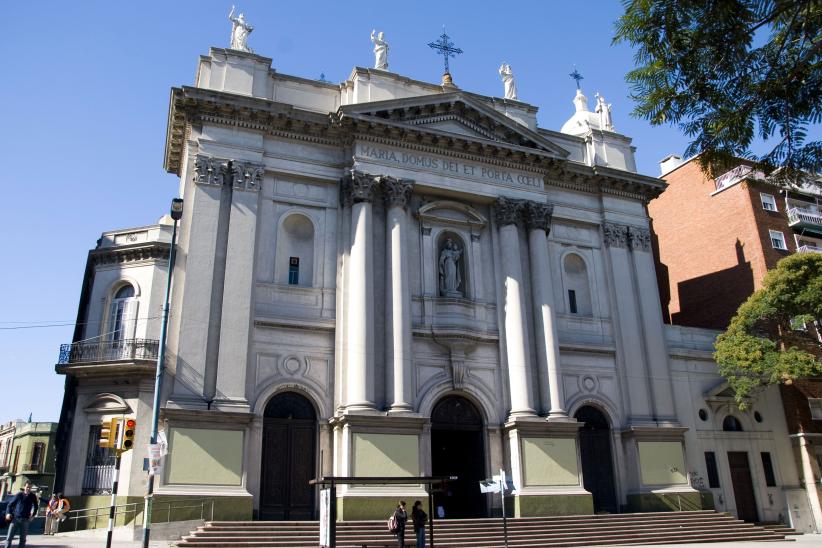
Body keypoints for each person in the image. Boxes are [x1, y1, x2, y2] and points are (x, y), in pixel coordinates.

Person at [4, 481, 38, 548]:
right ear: (24, 487)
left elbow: (36, 507)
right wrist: (8, 513)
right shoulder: (19, 495)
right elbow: (10, 505)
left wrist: (33, 515)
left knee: (23, 540)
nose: (28, 488)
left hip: (25, 520)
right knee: (9, 538)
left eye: (30, 487)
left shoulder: (33, 496)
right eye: (27, 487)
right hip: (15, 519)